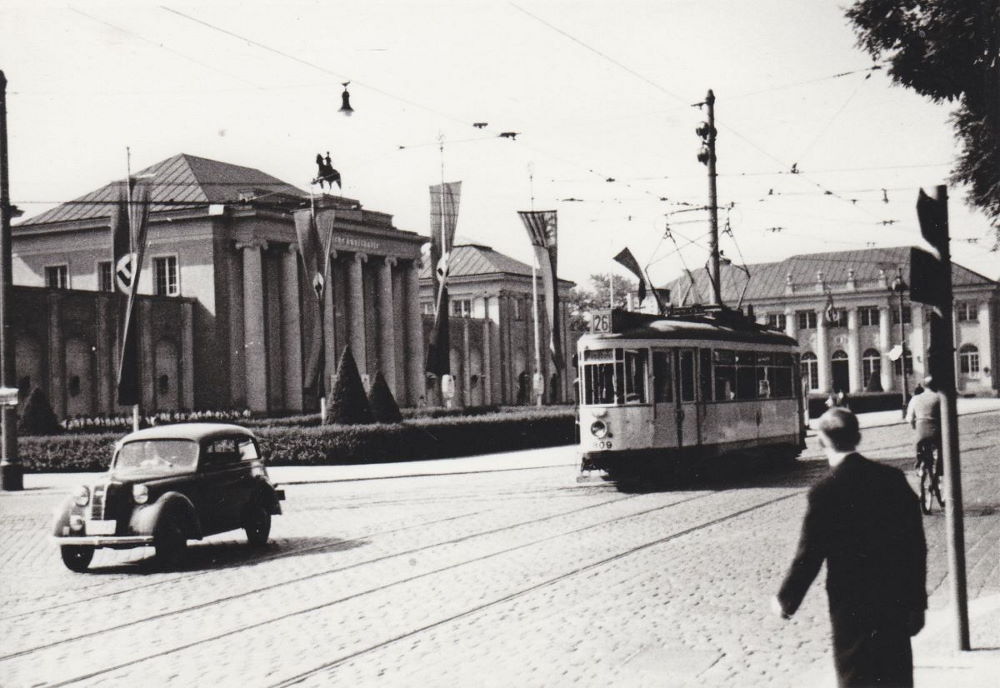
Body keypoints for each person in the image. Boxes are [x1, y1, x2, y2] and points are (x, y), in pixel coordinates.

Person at [772, 407, 927, 687]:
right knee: (896, 676)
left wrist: (787, 600)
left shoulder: (825, 491)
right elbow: (915, 547)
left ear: (821, 441)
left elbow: (809, 555)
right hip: (893, 601)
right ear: (858, 436)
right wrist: (917, 604)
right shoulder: (892, 479)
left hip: (851, 607)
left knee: (855, 675)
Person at [905, 377, 942, 476]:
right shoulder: (939, 397)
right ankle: (940, 468)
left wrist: (914, 427)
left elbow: (909, 418)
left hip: (921, 432)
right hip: (935, 432)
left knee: (918, 445)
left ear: (924, 386)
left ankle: (919, 463)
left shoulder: (915, 398)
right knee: (941, 448)